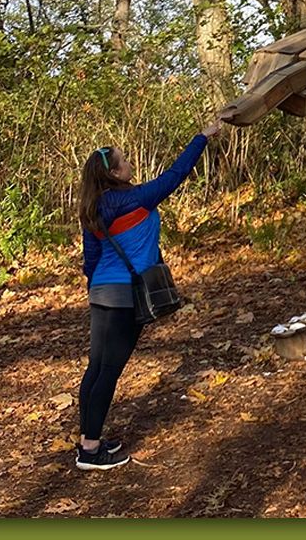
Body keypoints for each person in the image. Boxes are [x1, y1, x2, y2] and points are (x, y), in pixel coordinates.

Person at [74, 121, 222, 470]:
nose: (129, 165)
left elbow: (90, 260)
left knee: (96, 368)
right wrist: (201, 137)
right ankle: (91, 450)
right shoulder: (137, 198)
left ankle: (87, 439)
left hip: (101, 294)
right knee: (109, 371)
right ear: (113, 173)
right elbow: (176, 174)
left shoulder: (93, 207)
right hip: (124, 297)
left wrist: (97, 289)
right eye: (124, 161)